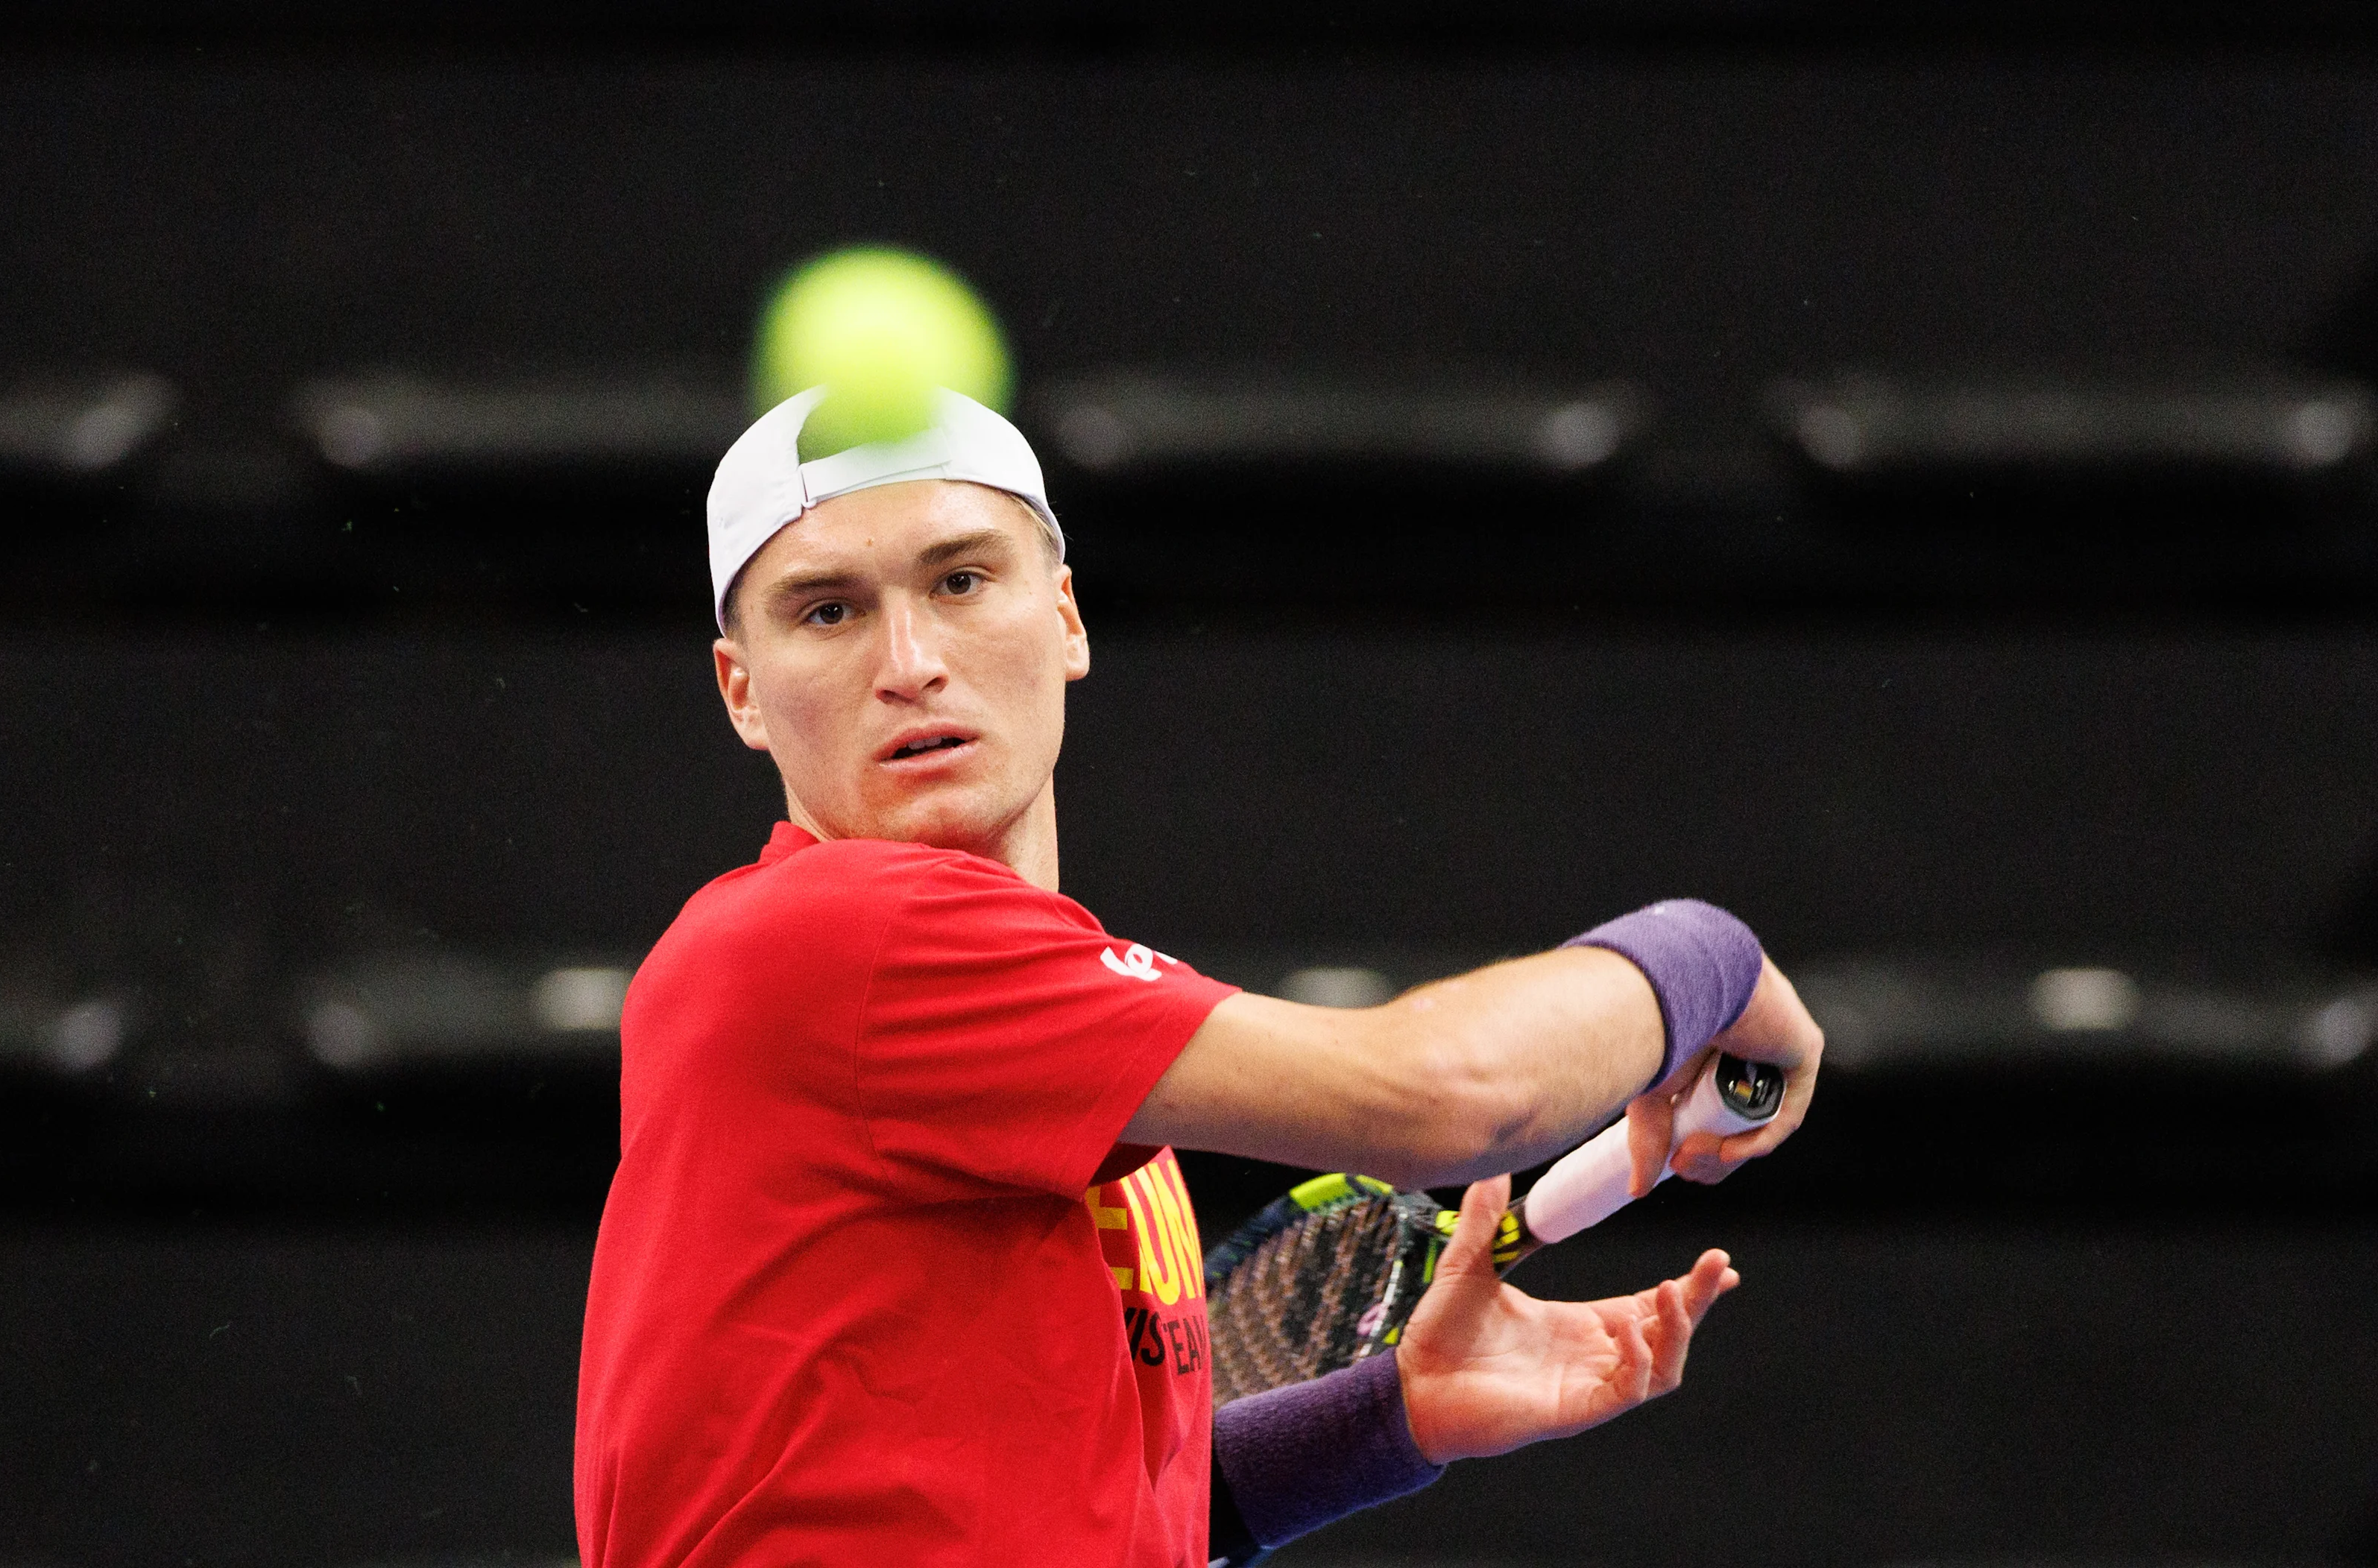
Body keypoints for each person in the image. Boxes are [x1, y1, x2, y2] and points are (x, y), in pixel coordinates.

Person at [573, 387, 1826, 1567]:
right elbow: (1450, 1098)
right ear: (743, 691)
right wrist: (1712, 953)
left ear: (1065, 617)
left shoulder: (1071, 1054)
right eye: (828, 611)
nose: (910, 659)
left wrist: (1386, 1422)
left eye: (961, 581)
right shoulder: (838, 939)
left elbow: (1079, 1512)